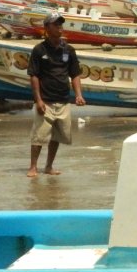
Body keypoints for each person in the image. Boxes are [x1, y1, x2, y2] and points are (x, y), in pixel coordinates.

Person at [27, 13, 86, 177]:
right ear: (47, 28)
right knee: (39, 136)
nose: (59, 27)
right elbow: (34, 76)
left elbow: (75, 74)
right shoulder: (39, 50)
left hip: (63, 100)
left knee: (58, 135)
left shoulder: (69, 50)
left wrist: (78, 95)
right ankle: (33, 167)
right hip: (45, 100)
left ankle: (49, 166)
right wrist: (38, 100)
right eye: (55, 24)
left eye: (61, 24)